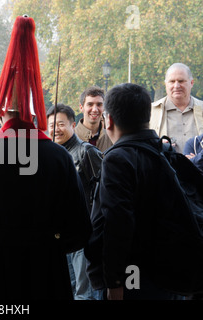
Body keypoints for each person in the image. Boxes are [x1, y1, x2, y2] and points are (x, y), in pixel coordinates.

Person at [0, 15, 92, 300]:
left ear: (1, 109)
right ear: (35, 106)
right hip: (45, 276)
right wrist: (47, 242)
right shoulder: (59, 157)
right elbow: (79, 230)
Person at [85, 83, 177, 300]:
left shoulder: (118, 159)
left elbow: (117, 223)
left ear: (110, 121)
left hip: (132, 274)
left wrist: (115, 282)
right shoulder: (164, 150)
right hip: (166, 270)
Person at [47, 104, 103, 300]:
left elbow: (101, 193)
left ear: (73, 124)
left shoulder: (87, 152)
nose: (56, 129)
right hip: (59, 235)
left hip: (83, 234)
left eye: (61, 124)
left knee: (84, 292)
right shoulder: (50, 156)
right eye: (52, 125)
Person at [150, 63, 203, 154]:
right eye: (172, 81)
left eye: (181, 81)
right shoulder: (150, 112)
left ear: (191, 83)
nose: (176, 86)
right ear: (166, 84)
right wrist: (156, 145)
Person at [75, 86, 113, 152]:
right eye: (90, 104)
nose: (95, 110)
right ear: (81, 107)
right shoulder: (70, 137)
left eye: (99, 104)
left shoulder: (112, 138)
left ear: (104, 107)